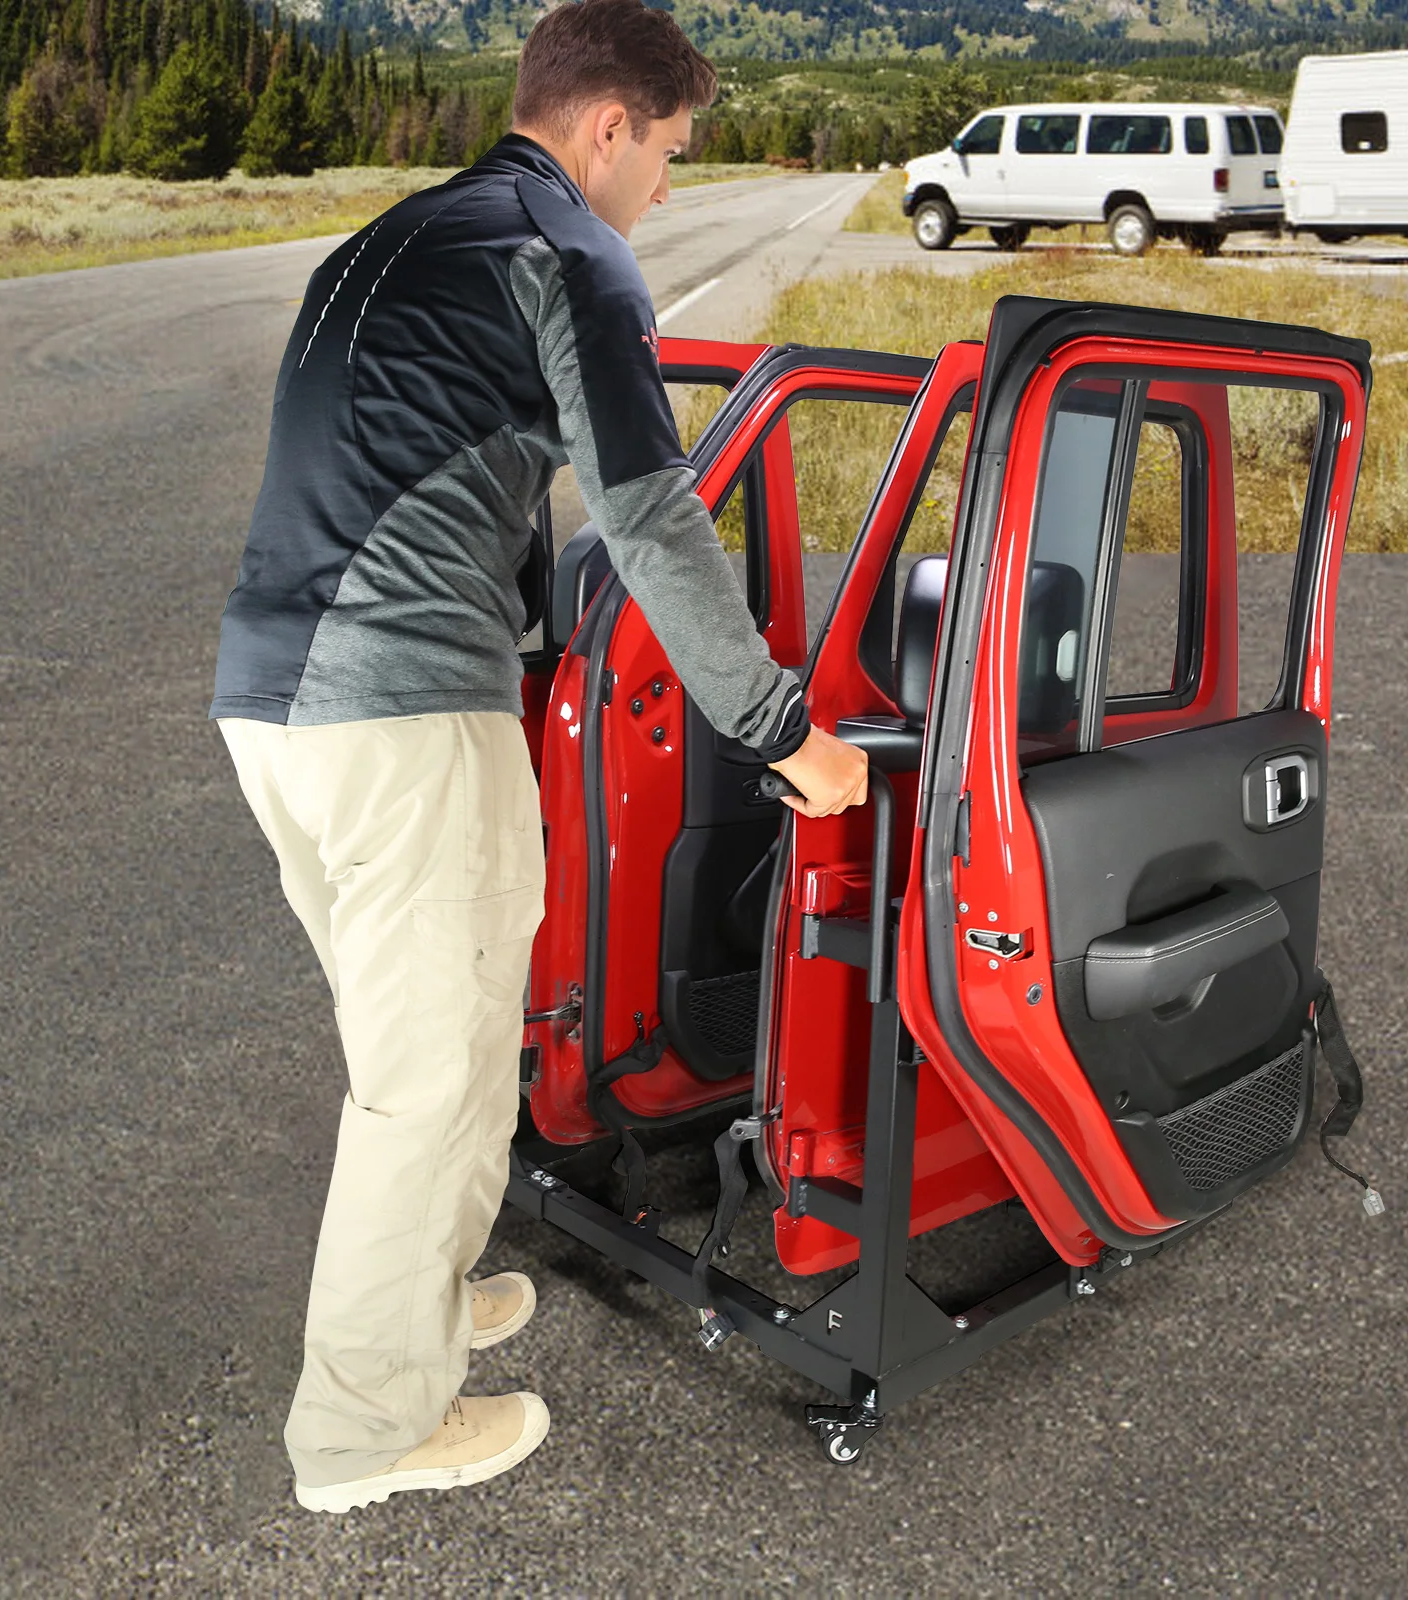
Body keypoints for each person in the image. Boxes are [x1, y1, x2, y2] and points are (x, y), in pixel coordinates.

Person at [209, 0, 868, 1515]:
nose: (666, 193)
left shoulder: (401, 237)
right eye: (673, 156)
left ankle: (425, 1312)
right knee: (429, 1087)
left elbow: (437, 476)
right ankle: (365, 1435)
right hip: (399, 716)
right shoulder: (569, 251)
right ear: (608, 125)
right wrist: (782, 734)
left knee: (424, 1059)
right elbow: (646, 514)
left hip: (274, 703)